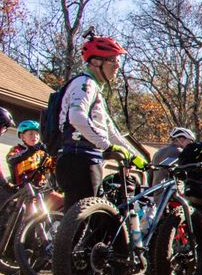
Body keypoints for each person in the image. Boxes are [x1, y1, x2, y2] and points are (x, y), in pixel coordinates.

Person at [54, 36, 145, 210]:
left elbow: (111, 132)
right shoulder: (85, 84)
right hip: (79, 159)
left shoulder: (94, 88)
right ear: (96, 62)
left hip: (84, 158)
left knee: (92, 216)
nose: (118, 65)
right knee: (83, 220)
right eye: (112, 60)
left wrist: (135, 157)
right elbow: (76, 116)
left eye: (118, 60)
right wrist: (106, 146)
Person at [6, 120, 51, 188]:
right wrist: (30, 151)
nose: (35, 136)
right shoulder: (17, 149)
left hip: (41, 186)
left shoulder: (41, 152)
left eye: (37, 134)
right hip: (23, 187)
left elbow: (51, 165)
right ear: (22, 136)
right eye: (31, 133)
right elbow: (10, 159)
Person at [0, 106, 17, 207]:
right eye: (5, 128)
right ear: (0, 126)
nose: (4, 131)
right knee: (6, 202)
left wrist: (7, 186)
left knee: (7, 200)